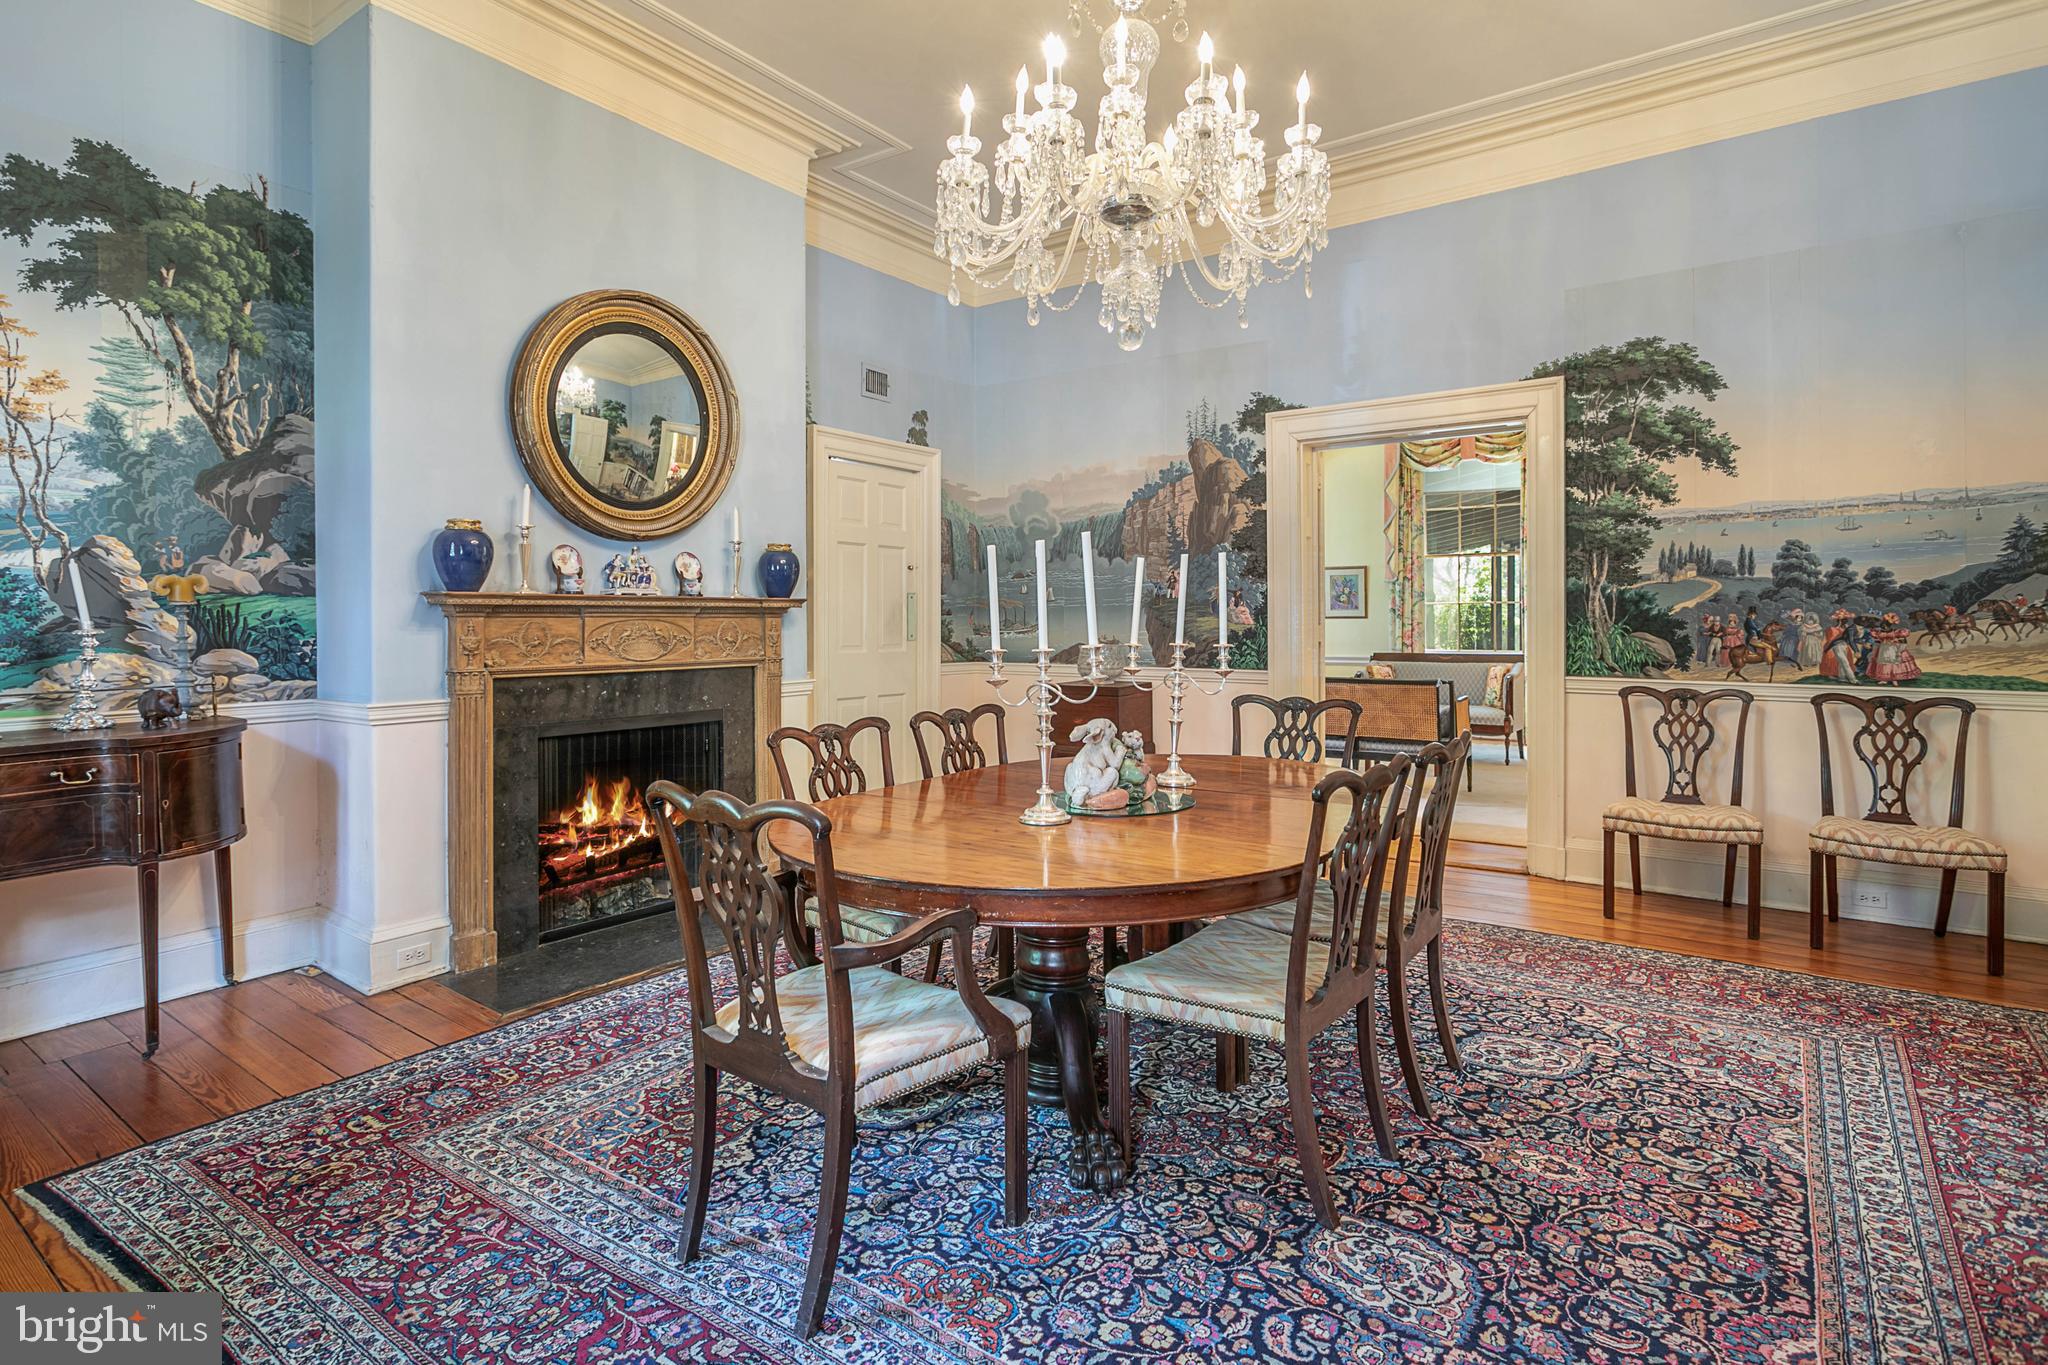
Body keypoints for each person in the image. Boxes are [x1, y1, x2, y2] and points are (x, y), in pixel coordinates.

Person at [1867, 611, 1922, 685]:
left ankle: (1894, 679)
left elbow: (1903, 642)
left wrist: (1900, 650)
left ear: (1889, 625)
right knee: (1884, 664)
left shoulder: (1897, 632)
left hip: (1894, 649)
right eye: (1882, 626)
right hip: (1884, 649)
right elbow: (1878, 641)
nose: (1883, 628)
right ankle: (1884, 679)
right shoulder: (1880, 633)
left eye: (1885, 626)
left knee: (1894, 664)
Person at [1820, 609, 1858, 680]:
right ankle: (1832, 674)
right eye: (1844, 620)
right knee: (1833, 660)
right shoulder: (1832, 629)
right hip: (1833, 646)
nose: (1846, 621)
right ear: (1840, 620)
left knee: (1844, 661)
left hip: (1844, 646)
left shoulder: (1847, 629)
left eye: (1846, 620)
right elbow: (1831, 640)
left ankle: (1842, 675)